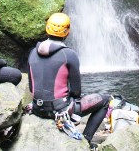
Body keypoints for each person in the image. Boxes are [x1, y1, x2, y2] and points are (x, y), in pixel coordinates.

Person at [28, 13, 111, 148]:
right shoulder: (69, 55)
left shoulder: (32, 52)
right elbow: (76, 91)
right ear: (67, 32)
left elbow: (32, 88)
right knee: (105, 100)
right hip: (59, 110)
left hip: (37, 108)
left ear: (47, 28)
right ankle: (86, 141)